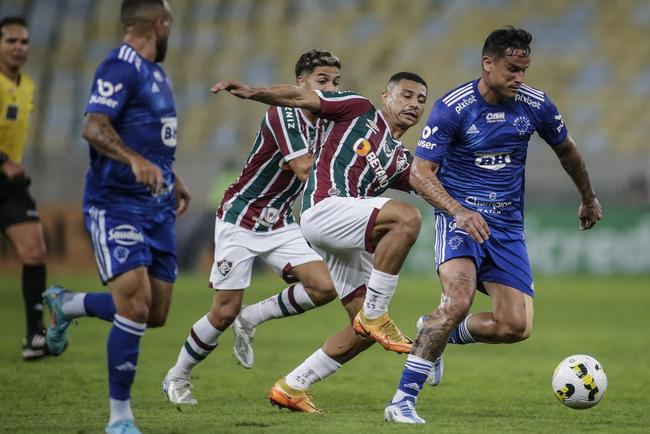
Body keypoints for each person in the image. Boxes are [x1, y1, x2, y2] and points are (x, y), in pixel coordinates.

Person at [384, 26, 602, 424]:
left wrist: (587, 197)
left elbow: (566, 150)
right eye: (512, 68)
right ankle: (402, 401)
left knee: (515, 326)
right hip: (460, 220)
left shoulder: (536, 105)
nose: (520, 77)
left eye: (524, 69)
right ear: (488, 63)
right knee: (459, 300)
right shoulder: (454, 107)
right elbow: (420, 172)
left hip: (506, 228)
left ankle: (434, 332)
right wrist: (458, 211)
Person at [211, 71, 429, 412]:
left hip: (346, 232)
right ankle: (376, 314)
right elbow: (301, 98)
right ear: (385, 96)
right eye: (407, 95)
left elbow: (434, 183)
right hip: (325, 208)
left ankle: (292, 386)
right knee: (407, 218)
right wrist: (254, 91)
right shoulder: (359, 109)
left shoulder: (400, 158)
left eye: (421, 100)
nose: (414, 104)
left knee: (364, 332)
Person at [160, 49, 342, 405]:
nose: (330, 89)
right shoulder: (283, 114)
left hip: (279, 220)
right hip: (241, 218)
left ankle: (253, 317)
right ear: (300, 83)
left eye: (336, 83)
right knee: (223, 310)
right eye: (322, 81)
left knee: (323, 287)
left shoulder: (326, 121)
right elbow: (306, 170)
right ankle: (176, 376)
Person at [42, 1, 190, 433]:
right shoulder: (119, 65)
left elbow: (147, 135)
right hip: (116, 203)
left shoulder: (155, 72)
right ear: (157, 25)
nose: (170, 31)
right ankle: (120, 419)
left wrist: (170, 175)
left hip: (158, 205)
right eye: (168, 24)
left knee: (156, 312)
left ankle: (66, 303)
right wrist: (132, 160)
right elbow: (93, 125)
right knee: (136, 302)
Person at [0, 16, 49, 360]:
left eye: (24, 42)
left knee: (35, 251)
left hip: (10, 183)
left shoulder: (27, 85)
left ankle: (34, 336)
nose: (19, 48)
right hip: (4, 170)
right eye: (11, 41)